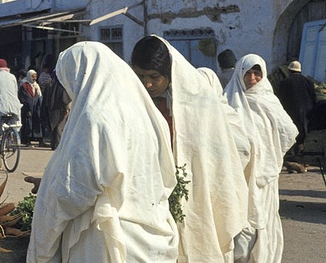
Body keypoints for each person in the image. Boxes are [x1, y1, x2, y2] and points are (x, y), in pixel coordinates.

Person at [27, 41, 178, 263]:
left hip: (108, 240)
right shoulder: (147, 113)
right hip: (150, 234)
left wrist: (43, 245)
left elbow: (73, 192)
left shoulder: (95, 117)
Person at [131, 35, 248, 262]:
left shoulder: (197, 99)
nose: (147, 84)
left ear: (169, 72)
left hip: (195, 185)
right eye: (141, 76)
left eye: (154, 77)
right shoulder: (138, 98)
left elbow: (223, 144)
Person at [223, 54, 298, 263]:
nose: (252, 78)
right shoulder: (229, 99)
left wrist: (267, 152)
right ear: (240, 73)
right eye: (248, 73)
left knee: (262, 221)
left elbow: (288, 132)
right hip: (239, 175)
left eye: (257, 73)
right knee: (241, 226)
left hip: (265, 179)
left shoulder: (269, 102)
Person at [277, 60, 316, 155]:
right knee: (304, 133)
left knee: (292, 133)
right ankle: (302, 152)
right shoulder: (309, 82)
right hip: (307, 112)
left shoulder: (285, 82)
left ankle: (292, 154)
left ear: (289, 71)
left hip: (291, 112)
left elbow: (280, 99)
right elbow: (314, 98)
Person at [40, 71, 71, 150]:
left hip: (51, 109)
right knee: (59, 127)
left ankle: (53, 144)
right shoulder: (62, 85)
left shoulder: (49, 84)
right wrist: (67, 108)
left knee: (53, 127)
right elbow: (65, 98)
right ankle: (58, 146)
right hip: (60, 109)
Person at [19, 69, 43, 147]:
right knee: (28, 124)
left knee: (36, 124)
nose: (34, 78)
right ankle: (27, 140)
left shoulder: (36, 85)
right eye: (33, 76)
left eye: (35, 76)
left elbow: (39, 96)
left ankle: (39, 139)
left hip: (36, 108)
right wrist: (27, 108)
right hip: (27, 109)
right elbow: (23, 98)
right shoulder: (24, 85)